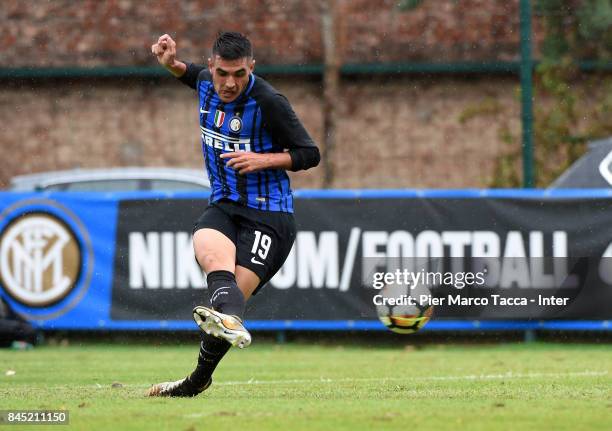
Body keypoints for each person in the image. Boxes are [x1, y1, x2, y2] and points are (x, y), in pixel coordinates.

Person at [147, 32, 320, 397]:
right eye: (222, 73)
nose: (229, 83)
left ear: (251, 68)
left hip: (269, 215)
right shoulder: (207, 83)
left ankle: (197, 379)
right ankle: (226, 323)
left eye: (239, 74)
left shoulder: (269, 101)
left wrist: (265, 159)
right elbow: (190, 74)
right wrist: (173, 65)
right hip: (224, 203)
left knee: (230, 303)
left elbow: (310, 153)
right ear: (212, 66)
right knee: (210, 254)